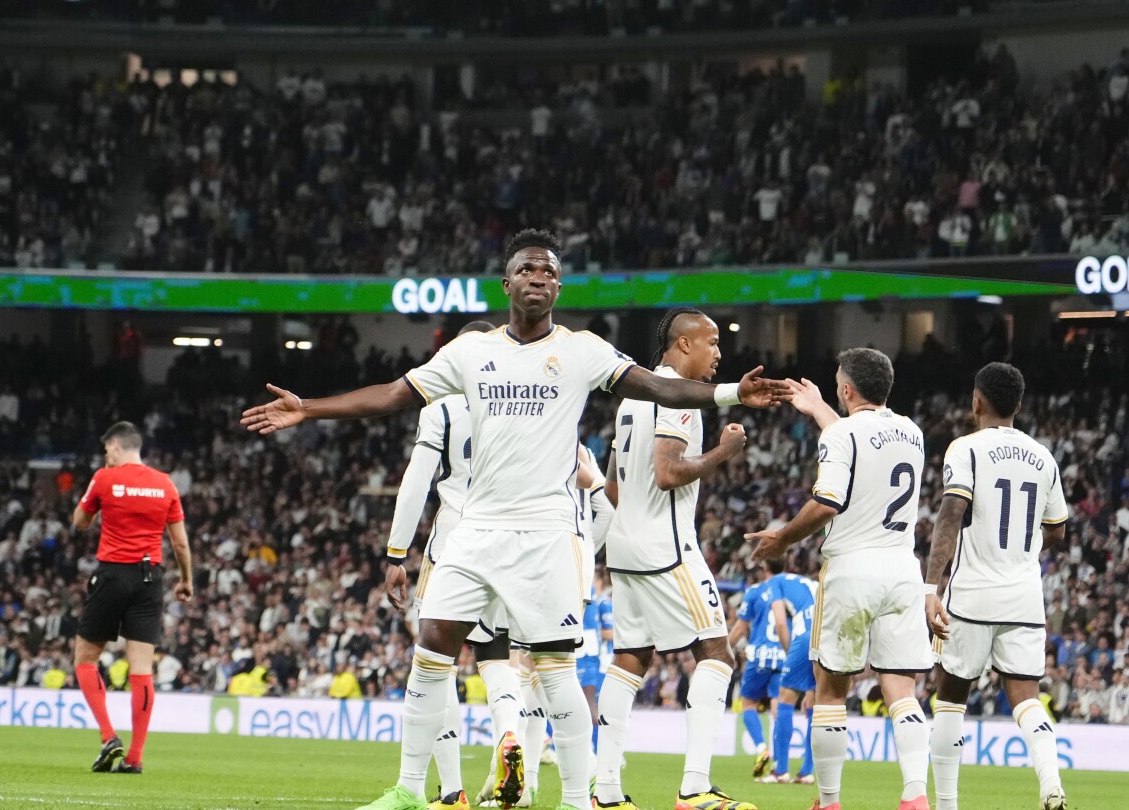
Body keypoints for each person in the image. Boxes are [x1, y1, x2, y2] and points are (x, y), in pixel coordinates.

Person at [240, 228, 787, 810]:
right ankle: (407, 789)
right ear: (507, 283)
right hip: (476, 529)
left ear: (559, 287)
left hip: (545, 535)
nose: (539, 279)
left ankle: (578, 800)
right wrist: (311, 409)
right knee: (432, 649)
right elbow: (394, 395)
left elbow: (659, 386)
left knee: (555, 670)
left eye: (550, 272)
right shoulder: (471, 352)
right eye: (528, 270)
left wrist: (728, 393)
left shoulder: (583, 349)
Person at [749, 349, 933, 810]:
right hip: (902, 570)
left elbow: (827, 501)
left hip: (853, 567)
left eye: (836, 384)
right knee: (901, 689)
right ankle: (915, 796)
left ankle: (828, 801)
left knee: (830, 687)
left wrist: (782, 541)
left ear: (847, 390)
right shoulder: (912, 432)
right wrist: (817, 408)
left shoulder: (841, 435)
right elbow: (863, 438)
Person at [592, 307, 756, 810]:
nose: (718, 353)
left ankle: (606, 793)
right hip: (667, 546)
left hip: (625, 544)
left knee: (629, 660)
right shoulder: (679, 401)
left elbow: (616, 483)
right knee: (717, 653)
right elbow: (667, 472)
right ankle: (694, 788)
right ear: (683, 345)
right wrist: (724, 453)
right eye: (711, 342)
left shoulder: (630, 397)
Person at [384, 320, 531, 810]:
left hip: (453, 544)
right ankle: (510, 736)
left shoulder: (441, 406)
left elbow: (417, 480)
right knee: (495, 656)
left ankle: (452, 790)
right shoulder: (517, 405)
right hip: (511, 543)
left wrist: (396, 552)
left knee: (437, 661)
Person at [922, 363, 1070, 810]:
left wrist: (930, 587)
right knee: (1026, 698)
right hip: (1024, 596)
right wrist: (1022, 550)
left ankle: (947, 803)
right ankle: (1051, 786)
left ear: (976, 401)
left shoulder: (964, 449)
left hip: (972, 595)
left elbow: (950, 514)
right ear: (1019, 406)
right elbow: (1058, 530)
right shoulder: (1043, 456)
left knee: (949, 698)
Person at [71, 421, 194, 774]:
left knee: (85, 657)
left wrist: (93, 500)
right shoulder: (165, 483)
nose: (105, 454)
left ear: (114, 446)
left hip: (113, 573)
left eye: (106, 449)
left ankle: (109, 736)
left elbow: (80, 521)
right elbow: (180, 543)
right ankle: (135, 757)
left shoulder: (104, 478)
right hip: (150, 577)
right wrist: (185, 580)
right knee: (142, 669)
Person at [730, 560, 790, 779]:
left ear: (765, 568)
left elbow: (740, 627)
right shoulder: (788, 591)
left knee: (749, 703)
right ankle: (780, 763)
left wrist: (724, 649)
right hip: (783, 656)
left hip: (759, 657)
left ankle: (761, 747)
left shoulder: (754, 591)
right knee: (779, 707)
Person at [760, 567, 817, 785]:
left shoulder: (775, 581)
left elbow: (781, 622)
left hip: (804, 636)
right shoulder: (809, 582)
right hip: (827, 632)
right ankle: (807, 771)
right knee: (814, 702)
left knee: (785, 698)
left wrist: (789, 653)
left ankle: (781, 770)